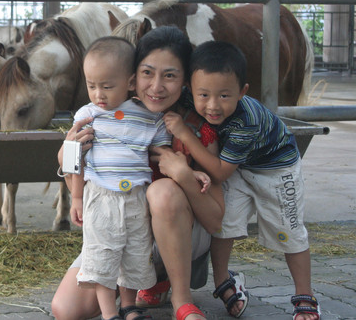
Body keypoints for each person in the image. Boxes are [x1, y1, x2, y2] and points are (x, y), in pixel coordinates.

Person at [52, 27, 225, 320]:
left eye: (170, 75)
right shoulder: (104, 117)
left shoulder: (195, 127)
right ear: (132, 77)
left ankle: (181, 299)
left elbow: (215, 221)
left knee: (162, 192)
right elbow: (83, 180)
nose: (156, 86)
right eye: (148, 73)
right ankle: (145, 283)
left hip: (180, 234)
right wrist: (66, 154)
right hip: (117, 227)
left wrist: (183, 175)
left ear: (185, 80)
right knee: (67, 310)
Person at [162, 40, 320, 320]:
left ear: (242, 92)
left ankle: (304, 294)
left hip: (275, 169)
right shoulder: (192, 99)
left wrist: (185, 135)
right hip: (238, 167)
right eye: (204, 95)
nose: (212, 106)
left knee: (289, 230)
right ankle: (224, 281)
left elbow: (221, 171)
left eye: (224, 96)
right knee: (225, 222)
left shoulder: (246, 121)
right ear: (190, 89)